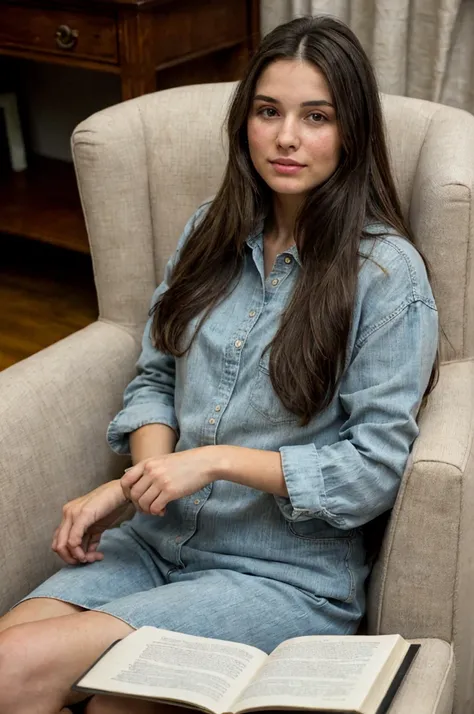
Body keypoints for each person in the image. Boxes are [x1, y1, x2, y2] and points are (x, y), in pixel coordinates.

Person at [0, 14, 439, 714]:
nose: (287, 137)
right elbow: (156, 376)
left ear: (350, 132)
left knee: (60, 681)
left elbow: (372, 471)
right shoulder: (209, 231)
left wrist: (213, 460)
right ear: (245, 123)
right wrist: (141, 481)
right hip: (156, 542)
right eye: (269, 111)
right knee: (6, 659)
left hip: (281, 577)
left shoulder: (387, 276)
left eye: (315, 116)